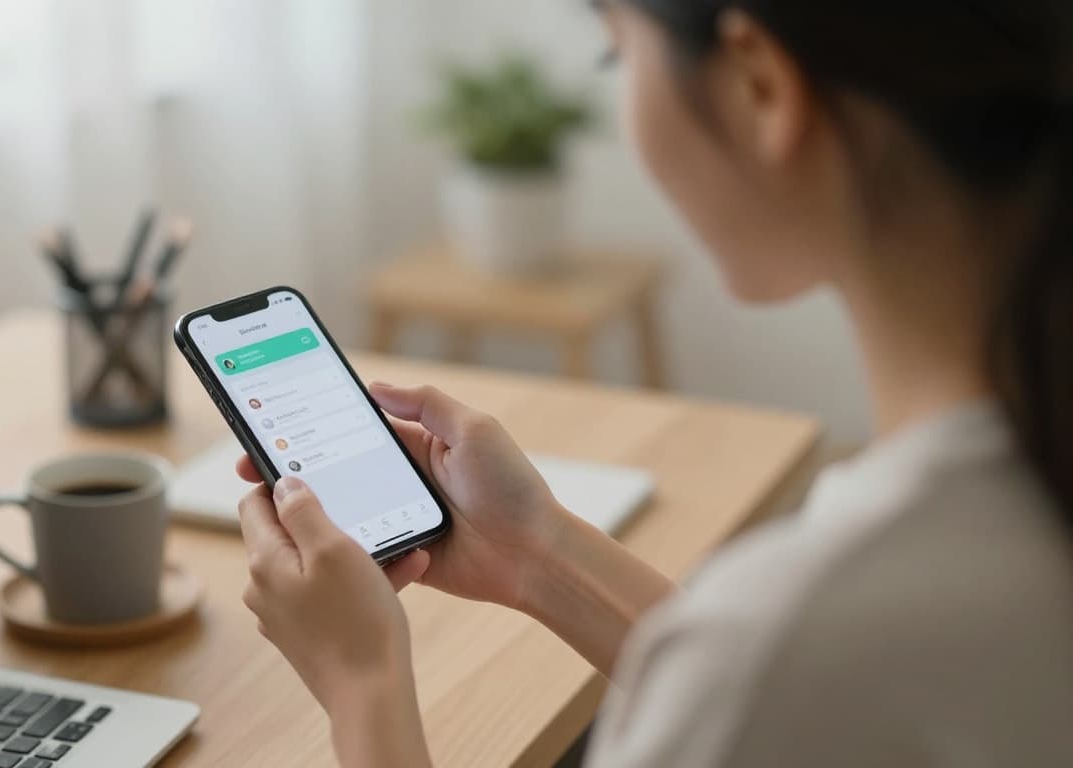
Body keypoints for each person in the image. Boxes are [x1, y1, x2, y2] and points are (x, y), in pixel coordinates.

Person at [234, 1, 1073, 766]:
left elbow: (760, 675)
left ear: (759, 85)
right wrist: (538, 556)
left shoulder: (793, 636)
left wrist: (360, 684)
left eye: (617, 57)